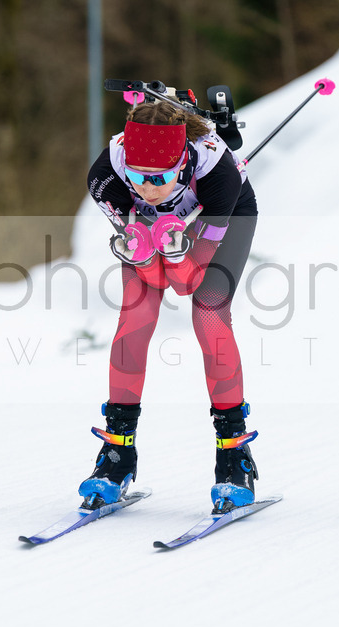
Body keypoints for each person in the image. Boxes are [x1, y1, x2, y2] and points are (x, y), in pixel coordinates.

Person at [81, 96, 260, 513]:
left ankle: (234, 456)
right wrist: (145, 255)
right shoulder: (105, 176)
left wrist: (177, 253)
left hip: (222, 220)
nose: (145, 187)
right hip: (152, 229)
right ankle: (116, 455)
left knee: (209, 315)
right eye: (136, 176)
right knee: (136, 316)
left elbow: (187, 283)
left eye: (159, 176)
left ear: (181, 165)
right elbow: (153, 278)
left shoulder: (219, 178)